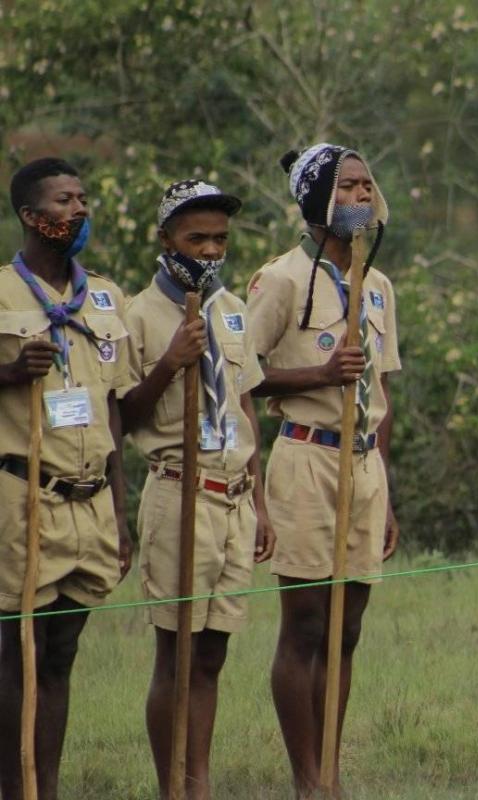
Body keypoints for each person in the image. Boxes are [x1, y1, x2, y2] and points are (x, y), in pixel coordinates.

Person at [246, 144, 400, 798]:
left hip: (363, 463)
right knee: (306, 624)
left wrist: (386, 488)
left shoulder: (379, 285)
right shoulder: (280, 279)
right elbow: (240, 374)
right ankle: (306, 779)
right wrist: (316, 374)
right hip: (306, 455)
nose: (362, 197)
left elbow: (384, 389)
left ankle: (331, 770)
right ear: (315, 201)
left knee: (349, 626)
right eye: (348, 186)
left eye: (368, 186)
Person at [118, 179, 275, 799]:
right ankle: (171, 787)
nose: (210, 250)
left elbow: (244, 405)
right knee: (176, 656)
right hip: (179, 492)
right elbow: (122, 417)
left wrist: (260, 502)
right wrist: (169, 364)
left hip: (234, 496)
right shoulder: (137, 314)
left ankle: (199, 782)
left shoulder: (231, 307)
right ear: (165, 240)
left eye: (220, 239)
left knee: (212, 655)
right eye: (196, 238)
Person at [0, 157, 133, 799]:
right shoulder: (1, 291)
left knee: (61, 653)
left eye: (83, 197)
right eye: (63, 200)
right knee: (13, 659)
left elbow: (111, 407)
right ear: (31, 216)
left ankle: (45, 788)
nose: (79, 209)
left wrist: (123, 511)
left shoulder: (106, 297)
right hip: (25, 493)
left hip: (91, 501)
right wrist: (6, 371)